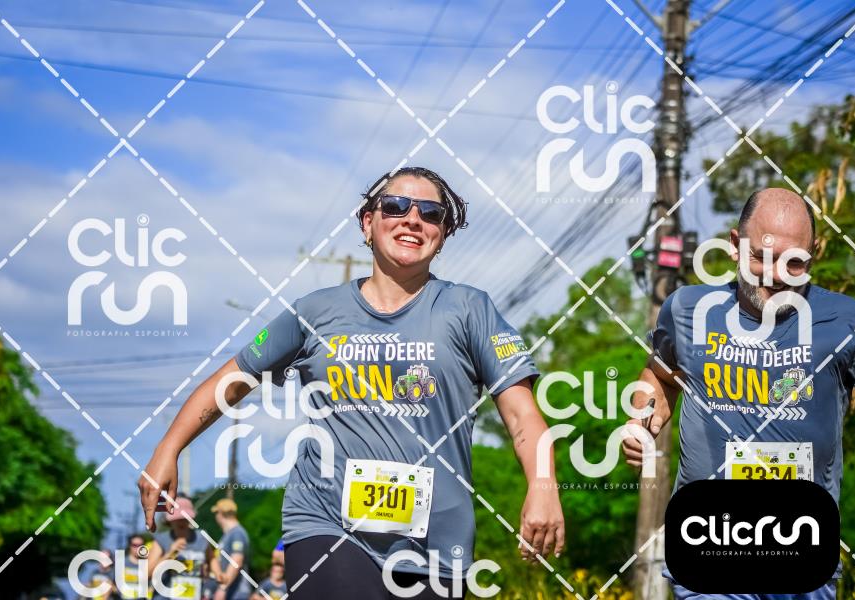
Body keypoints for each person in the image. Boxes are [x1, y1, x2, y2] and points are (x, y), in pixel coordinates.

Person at [139, 166, 565, 599]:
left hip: (435, 543)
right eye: (396, 206)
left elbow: (521, 414)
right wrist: (168, 449)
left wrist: (543, 486)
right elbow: (230, 381)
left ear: (442, 234)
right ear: (368, 222)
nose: (412, 219)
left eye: (431, 213)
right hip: (325, 522)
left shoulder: (470, 309)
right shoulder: (314, 313)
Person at [622, 188, 855, 599]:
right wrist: (642, 420)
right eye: (762, 257)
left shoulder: (847, 322)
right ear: (734, 245)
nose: (777, 275)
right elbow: (662, 376)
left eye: (794, 262)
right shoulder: (689, 310)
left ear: (814, 254)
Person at [147, 495, 210, 600]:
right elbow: (147, 574)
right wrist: (169, 554)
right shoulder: (162, 540)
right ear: (169, 520)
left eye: (185, 518)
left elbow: (212, 562)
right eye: (177, 518)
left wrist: (208, 571)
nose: (181, 521)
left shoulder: (201, 538)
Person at [209, 499, 250, 600]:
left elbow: (237, 561)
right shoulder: (229, 534)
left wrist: (223, 588)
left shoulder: (237, 533)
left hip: (236, 593)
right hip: (231, 591)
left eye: (216, 513)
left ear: (221, 513)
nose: (216, 516)